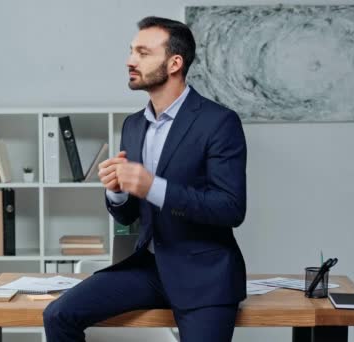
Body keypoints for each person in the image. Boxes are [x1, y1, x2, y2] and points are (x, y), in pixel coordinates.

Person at [44, 16, 247, 342]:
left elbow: (231, 208)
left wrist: (152, 185)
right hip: (148, 269)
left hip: (204, 276)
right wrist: (117, 193)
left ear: (174, 63)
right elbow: (130, 214)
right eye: (131, 51)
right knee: (58, 315)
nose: (130, 61)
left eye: (143, 52)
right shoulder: (134, 125)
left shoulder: (219, 122)